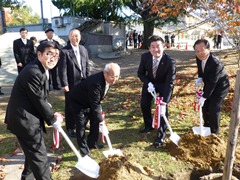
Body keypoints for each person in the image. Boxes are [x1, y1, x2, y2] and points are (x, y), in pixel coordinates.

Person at [4, 41, 63, 180]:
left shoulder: (41, 69)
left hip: (26, 117)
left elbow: (39, 97)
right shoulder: (33, 72)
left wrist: (51, 112)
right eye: (49, 54)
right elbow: (38, 100)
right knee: (40, 157)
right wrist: (52, 119)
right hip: (24, 120)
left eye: (56, 55)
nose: (53, 58)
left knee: (33, 155)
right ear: (39, 54)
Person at [70, 63, 120, 156]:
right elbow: (95, 104)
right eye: (113, 77)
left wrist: (99, 119)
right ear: (105, 73)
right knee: (81, 125)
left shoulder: (107, 80)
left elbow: (96, 102)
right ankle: (84, 150)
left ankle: (92, 143)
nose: (115, 80)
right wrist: (101, 120)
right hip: (78, 102)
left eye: (117, 76)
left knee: (95, 121)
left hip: (90, 101)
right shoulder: (95, 83)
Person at [137, 35, 176, 148]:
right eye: (152, 47)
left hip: (164, 84)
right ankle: (148, 125)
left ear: (164, 46)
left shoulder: (170, 62)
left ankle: (161, 135)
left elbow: (170, 83)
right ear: (149, 48)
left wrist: (164, 101)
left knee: (162, 110)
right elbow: (140, 73)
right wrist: (147, 83)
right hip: (150, 83)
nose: (155, 49)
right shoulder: (145, 57)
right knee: (144, 104)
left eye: (158, 46)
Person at [58, 28, 91, 137]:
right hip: (71, 84)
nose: (74, 38)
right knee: (70, 105)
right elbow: (62, 70)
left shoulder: (83, 49)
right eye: (72, 36)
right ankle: (70, 127)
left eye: (76, 36)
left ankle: (82, 123)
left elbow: (86, 66)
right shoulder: (64, 51)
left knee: (85, 104)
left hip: (83, 83)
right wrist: (64, 84)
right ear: (69, 37)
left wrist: (89, 80)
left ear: (80, 37)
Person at [194, 39, 229, 134]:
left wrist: (204, 96)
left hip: (220, 87)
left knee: (214, 108)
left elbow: (213, 82)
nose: (200, 53)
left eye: (202, 50)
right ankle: (206, 127)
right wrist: (200, 78)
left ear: (209, 49)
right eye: (197, 51)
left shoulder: (215, 62)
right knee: (204, 107)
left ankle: (214, 132)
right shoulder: (198, 57)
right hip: (209, 84)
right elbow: (201, 70)